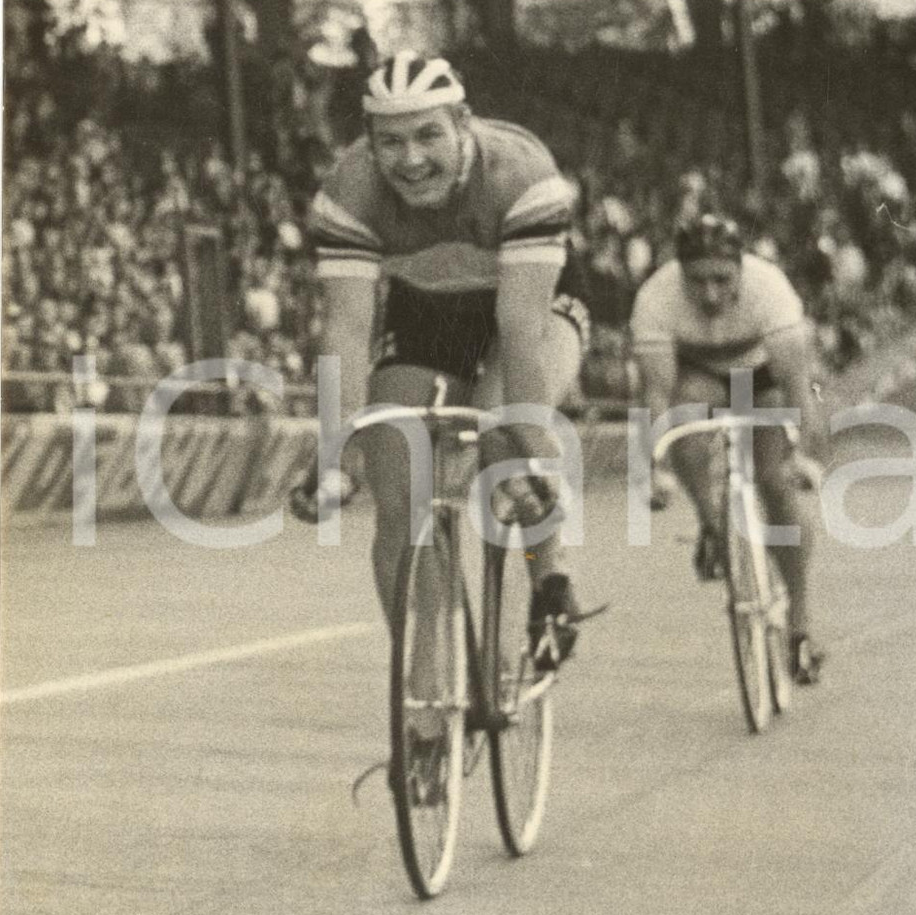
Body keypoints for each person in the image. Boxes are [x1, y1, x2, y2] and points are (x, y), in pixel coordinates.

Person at [291, 50, 591, 676]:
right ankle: (427, 686)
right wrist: (335, 455)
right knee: (397, 487)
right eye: (390, 142)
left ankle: (549, 579)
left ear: (464, 124)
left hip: (530, 311)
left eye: (429, 134)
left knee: (501, 435)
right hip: (428, 317)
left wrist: (529, 443)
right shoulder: (349, 192)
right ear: (369, 144)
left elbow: (519, 327)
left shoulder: (521, 173)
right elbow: (347, 329)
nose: (411, 159)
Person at [631, 213, 826, 684]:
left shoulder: (770, 291)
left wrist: (809, 459)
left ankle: (800, 624)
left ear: (741, 268)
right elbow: (656, 398)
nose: (711, 294)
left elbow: (799, 389)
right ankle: (714, 524)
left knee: (776, 482)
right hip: (700, 374)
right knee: (686, 429)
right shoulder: (656, 299)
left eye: (722, 279)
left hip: (764, 377)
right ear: (680, 273)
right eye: (697, 281)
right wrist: (654, 469)